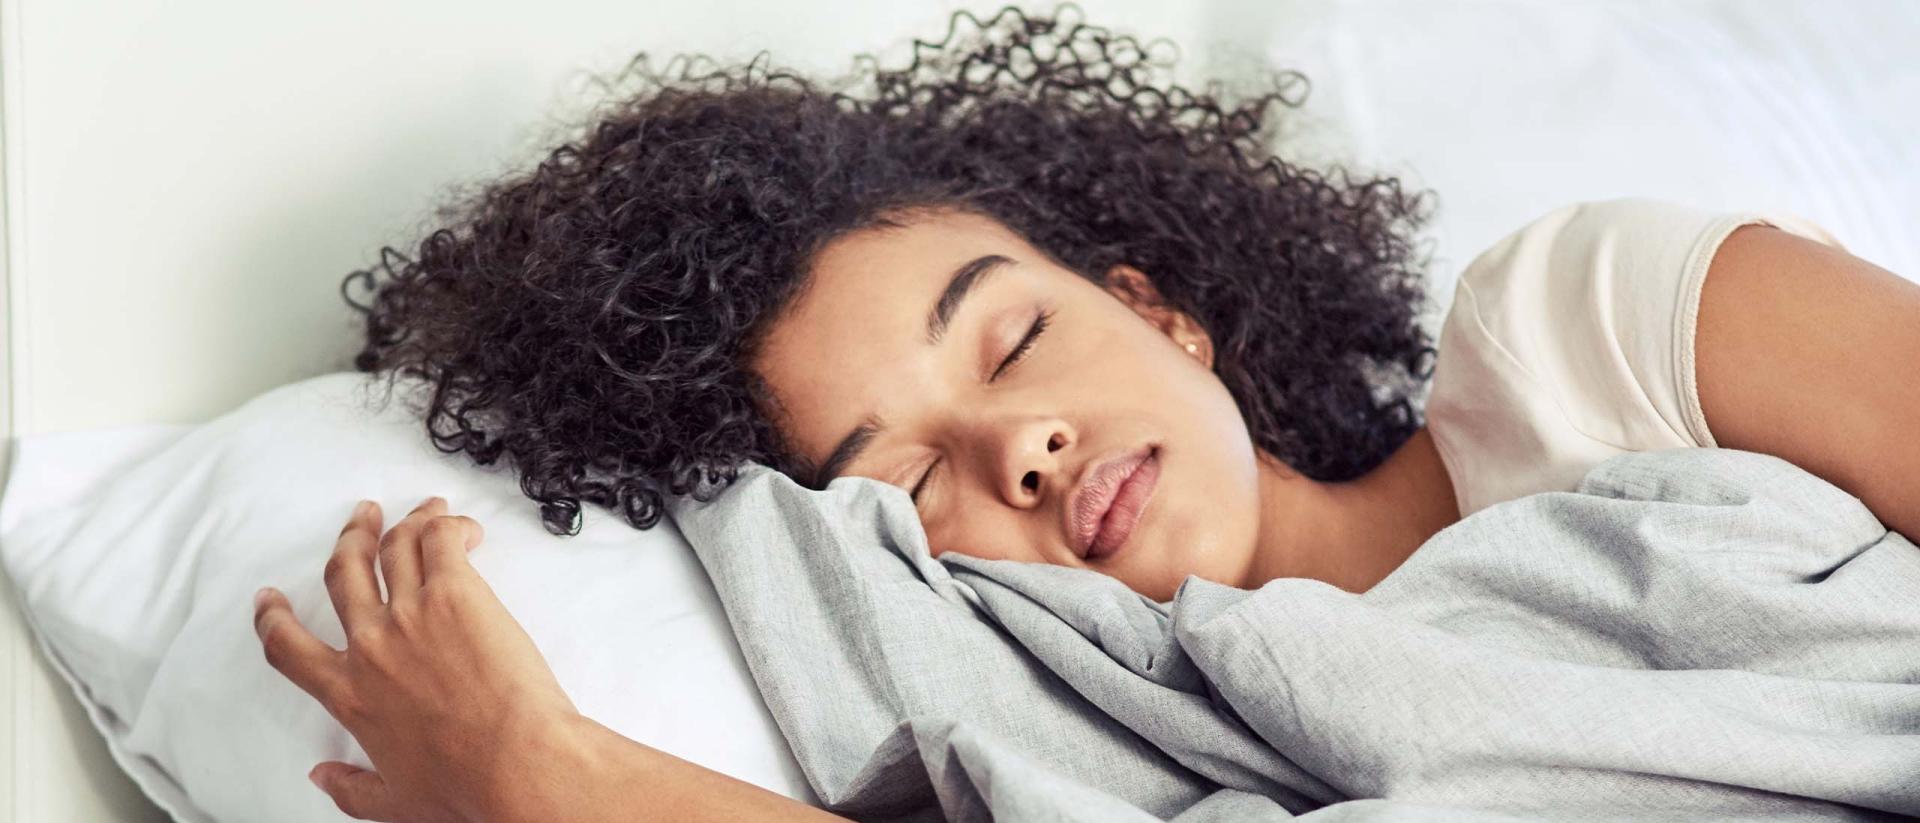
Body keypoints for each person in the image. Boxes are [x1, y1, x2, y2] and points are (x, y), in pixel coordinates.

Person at [252, 7, 1920, 821]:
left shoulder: (1590, 327)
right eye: (910, 478)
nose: (1019, 446)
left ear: (1155, 308)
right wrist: (553, 772)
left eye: (1013, 340)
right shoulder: (1101, 756)